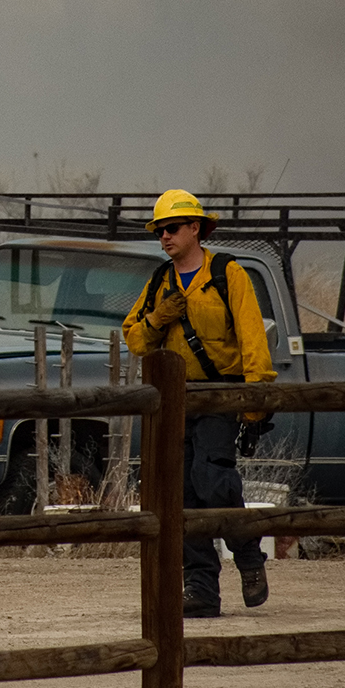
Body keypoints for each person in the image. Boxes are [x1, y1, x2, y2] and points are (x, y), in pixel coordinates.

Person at [122, 189, 276, 618]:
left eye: (171, 228)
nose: (164, 237)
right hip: (175, 401)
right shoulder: (160, 282)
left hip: (221, 393)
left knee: (213, 481)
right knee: (183, 495)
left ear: (196, 228)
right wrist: (158, 318)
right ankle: (202, 589)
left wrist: (254, 399)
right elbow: (134, 338)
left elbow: (252, 337)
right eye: (159, 231)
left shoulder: (228, 273)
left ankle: (248, 557)